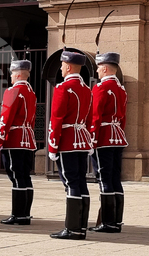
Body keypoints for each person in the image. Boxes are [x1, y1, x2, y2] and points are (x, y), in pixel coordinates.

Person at [49, 51, 93, 240]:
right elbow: (89, 118)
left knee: (70, 182)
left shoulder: (63, 88)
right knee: (81, 181)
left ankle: (73, 228)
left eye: (61, 65)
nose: (60, 68)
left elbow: (56, 119)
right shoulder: (86, 89)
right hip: (82, 140)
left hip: (67, 140)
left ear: (67, 66)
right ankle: (81, 226)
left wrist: (52, 146)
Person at [89, 52, 127, 233]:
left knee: (104, 178)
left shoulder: (100, 88)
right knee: (115, 178)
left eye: (98, 67)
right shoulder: (120, 89)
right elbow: (123, 117)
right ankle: (116, 220)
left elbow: (95, 116)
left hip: (103, 136)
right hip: (117, 135)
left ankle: (107, 222)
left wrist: (92, 137)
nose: (97, 71)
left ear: (104, 68)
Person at [0, 59, 37, 226]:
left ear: (18, 74)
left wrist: (0, 139)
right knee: (25, 177)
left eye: (12, 74)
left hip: (14, 139)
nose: (11, 77)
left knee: (16, 176)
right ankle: (25, 213)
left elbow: (6, 117)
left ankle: (18, 214)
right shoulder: (31, 92)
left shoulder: (13, 91)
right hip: (27, 138)